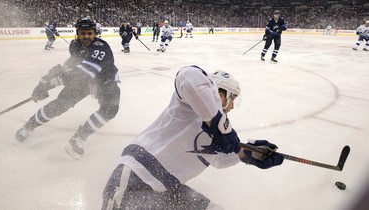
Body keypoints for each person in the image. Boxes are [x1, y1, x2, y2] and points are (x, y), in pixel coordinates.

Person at [102, 66, 284, 209]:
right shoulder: (188, 105)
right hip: (135, 179)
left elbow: (217, 160)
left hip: (167, 188)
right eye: (232, 98)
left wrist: (245, 154)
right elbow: (187, 76)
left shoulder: (219, 127)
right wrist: (218, 122)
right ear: (220, 94)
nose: (232, 106)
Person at [15, 18, 121, 160]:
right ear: (77, 33)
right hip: (85, 82)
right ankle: (29, 126)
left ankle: (80, 137)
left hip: (105, 82)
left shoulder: (100, 46)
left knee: (110, 110)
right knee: (60, 105)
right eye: (83, 33)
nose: (86, 36)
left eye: (90, 33)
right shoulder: (75, 45)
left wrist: (52, 83)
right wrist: (43, 82)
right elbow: (69, 65)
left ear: (95, 33)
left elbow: (84, 71)